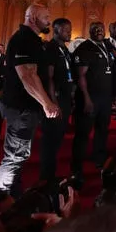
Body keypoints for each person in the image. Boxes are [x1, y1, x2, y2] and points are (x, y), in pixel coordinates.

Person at [0, 4, 61, 198]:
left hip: (25, 106)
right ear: (33, 18)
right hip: (21, 106)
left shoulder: (33, 39)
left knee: (19, 154)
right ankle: (3, 198)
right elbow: (28, 76)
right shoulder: (24, 39)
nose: (49, 21)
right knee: (15, 156)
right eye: (46, 17)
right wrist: (46, 103)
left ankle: (13, 194)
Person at [71, 22, 116, 181]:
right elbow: (81, 76)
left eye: (101, 29)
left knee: (102, 129)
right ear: (89, 31)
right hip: (89, 98)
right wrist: (87, 99)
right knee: (83, 134)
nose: (99, 31)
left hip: (105, 97)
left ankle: (99, 158)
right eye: (95, 29)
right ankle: (76, 169)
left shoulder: (107, 46)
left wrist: (113, 94)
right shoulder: (84, 49)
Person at [41, 18, 75, 181]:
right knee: (51, 140)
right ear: (56, 30)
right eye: (66, 29)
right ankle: (46, 177)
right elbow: (49, 78)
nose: (69, 32)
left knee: (58, 138)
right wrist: (53, 103)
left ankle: (50, 174)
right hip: (56, 99)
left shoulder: (65, 50)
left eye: (70, 29)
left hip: (65, 99)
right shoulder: (51, 48)